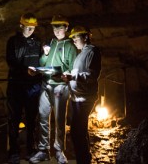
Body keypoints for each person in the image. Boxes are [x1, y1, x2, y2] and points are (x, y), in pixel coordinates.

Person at [29, 15, 77, 164]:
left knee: (59, 119)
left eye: (60, 27)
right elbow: (43, 62)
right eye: (55, 27)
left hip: (60, 87)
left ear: (66, 28)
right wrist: (46, 54)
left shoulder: (70, 46)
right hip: (46, 83)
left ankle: (59, 150)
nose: (57, 30)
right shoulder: (50, 42)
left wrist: (66, 74)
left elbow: (73, 67)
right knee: (43, 117)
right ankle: (43, 150)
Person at [6, 13, 43, 164]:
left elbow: (41, 60)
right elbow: (11, 62)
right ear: (21, 26)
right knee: (14, 120)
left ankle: (30, 149)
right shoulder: (13, 41)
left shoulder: (38, 42)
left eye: (33, 28)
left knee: (31, 120)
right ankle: (14, 151)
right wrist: (25, 70)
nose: (30, 30)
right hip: (16, 86)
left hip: (33, 87)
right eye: (28, 28)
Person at [61, 26, 101, 164]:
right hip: (77, 98)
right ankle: (85, 159)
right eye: (72, 38)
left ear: (85, 37)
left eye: (76, 37)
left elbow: (92, 75)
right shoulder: (80, 53)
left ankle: (83, 160)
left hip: (85, 98)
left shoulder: (93, 52)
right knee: (80, 130)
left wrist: (72, 77)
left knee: (76, 132)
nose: (73, 41)